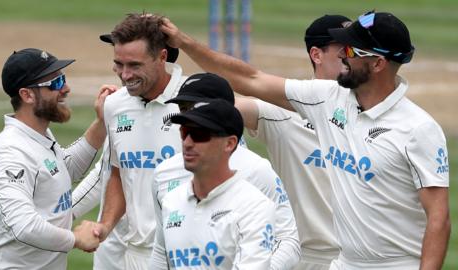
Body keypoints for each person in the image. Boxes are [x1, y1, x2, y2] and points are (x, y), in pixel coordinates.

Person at [162, 10, 451, 269]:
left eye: (350, 49)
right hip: (345, 263)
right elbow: (251, 79)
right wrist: (185, 43)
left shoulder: (418, 129)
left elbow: (438, 219)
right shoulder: (328, 98)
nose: (341, 56)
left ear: (377, 64)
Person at [0, 48, 112, 269]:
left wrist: (101, 123)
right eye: (56, 83)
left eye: (63, 79)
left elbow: (64, 170)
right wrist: (76, 239)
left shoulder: (38, 135)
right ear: (27, 95)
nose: (66, 88)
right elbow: (24, 225)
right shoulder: (12, 152)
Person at [234, 15, 350, 270]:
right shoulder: (282, 113)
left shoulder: (368, 111)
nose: (351, 57)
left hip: (359, 258)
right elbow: (220, 107)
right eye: (344, 51)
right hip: (305, 259)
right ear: (316, 55)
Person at [151, 73, 300, 269]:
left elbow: (288, 240)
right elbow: (163, 252)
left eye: (193, 107)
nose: (187, 114)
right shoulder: (164, 173)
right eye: (182, 108)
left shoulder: (256, 170)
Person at [80, 13, 187, 270]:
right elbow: (118, 173)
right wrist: (105, 226)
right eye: (119, 64)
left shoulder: (194, 102)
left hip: (187, 254)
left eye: (135, 65)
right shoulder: (114, 105)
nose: (125, 75)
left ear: (162, 57)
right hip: (136, 255)